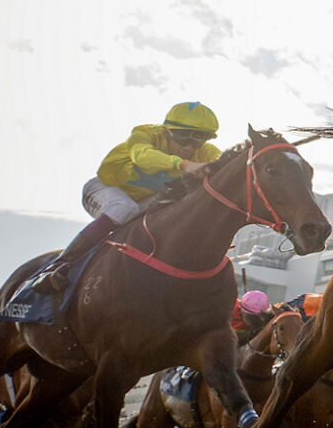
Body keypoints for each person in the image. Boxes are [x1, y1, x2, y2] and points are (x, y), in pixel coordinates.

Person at [23, 102, 222, 297]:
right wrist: (184, 165)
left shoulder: (207, 153)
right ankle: (60, 264)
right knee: (123, 207)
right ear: (166, 131)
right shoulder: (145, 134)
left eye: (197, 140)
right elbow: (142, 156)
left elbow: (228, 167)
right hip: (104, 189)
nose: (188, 146)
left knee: (170, 211)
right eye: (182, 137)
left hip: (142, 201)